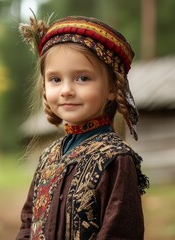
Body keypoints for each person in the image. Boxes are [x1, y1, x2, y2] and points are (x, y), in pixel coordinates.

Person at [17, 14, 149, 240]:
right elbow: (28, 224)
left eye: (83, 78)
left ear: (111, 88)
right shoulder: (49, 157)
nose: (66, 90)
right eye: (55, 79)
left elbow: (120, 233)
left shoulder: (116, 160)